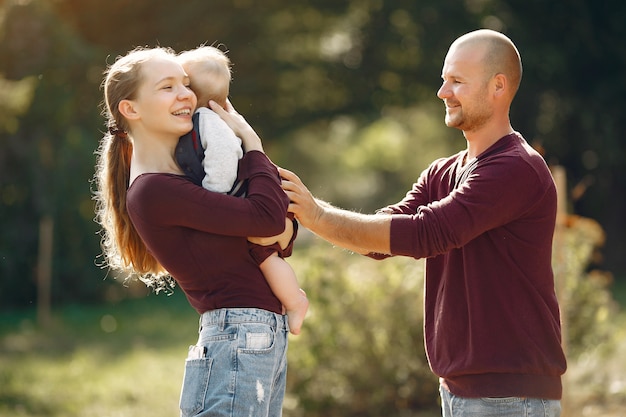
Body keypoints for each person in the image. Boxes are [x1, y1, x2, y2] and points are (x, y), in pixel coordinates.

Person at [280, 29, 567, 417]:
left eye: (457, 81)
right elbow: (382, 237)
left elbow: (425, 234)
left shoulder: (515, 169)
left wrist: (317, 214)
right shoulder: (443, 172)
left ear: (497, 86)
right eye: (444, 79)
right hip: (460, 391)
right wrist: (309, 216)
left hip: (511, 396)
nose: (443, 91)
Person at [93, 46, 292, 417]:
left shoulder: (189, 179)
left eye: (185, 84)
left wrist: (281, 224)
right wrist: (253, 144)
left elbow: (274, 229)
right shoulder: (155, 190)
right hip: (238, 335)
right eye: (167, 87)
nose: (186, 94)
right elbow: (267, 220)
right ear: (130, 109)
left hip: (254, 336)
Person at [174, 45, 308, 335]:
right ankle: (293, 301)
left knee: (265, 254)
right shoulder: (199, 122)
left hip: (247, 194)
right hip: (248, 196)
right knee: (264, 255)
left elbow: (222, 159)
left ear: (192, 93)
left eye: (182, 83)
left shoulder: (207, 121)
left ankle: (296, 301)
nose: (177, 91)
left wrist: (213, 197)